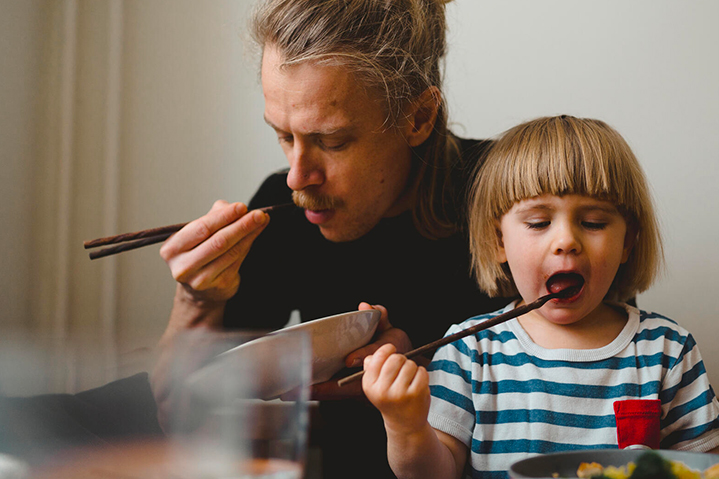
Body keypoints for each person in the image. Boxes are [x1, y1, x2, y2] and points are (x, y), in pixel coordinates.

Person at [153, 1, 508, 478]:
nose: (298, 178)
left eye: (333, 141)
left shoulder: (519, 203)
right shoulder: (276, 214)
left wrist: (432, 369)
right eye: (283, 135)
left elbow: (609, 378)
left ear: (418, 117)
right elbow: (173, 413)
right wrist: (195, 301)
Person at [361, 115, 719, 478]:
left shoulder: (668, 350)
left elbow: (706, 467)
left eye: (593, 222)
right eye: (538, 223)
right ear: (499, 241)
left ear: (627, 242)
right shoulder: (469, 352)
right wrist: (405, 425)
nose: (565, 241)